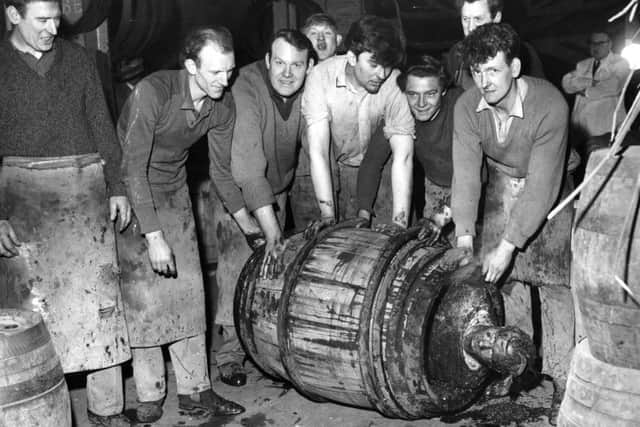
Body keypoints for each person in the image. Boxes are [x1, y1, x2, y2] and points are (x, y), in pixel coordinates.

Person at [0, 1, 132, 425]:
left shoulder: (78, 59)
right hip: (21, 200)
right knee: (30, 317)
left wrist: (116, 187)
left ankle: (107, 410)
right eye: (42, 20)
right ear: (13, 16)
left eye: (57, 18)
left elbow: (101, 121)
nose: (53, 28)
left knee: (100, 301)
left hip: (82, 190)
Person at [116, 26, 245, 423]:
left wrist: (249, 223)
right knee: (145, 300)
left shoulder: (222, 105)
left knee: (190, 293)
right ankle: (150, 394)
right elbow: (132, 168)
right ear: (190, 66)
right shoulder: (153, 92)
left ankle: (196, 393)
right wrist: (154, 237)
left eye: (230, 71)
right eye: (215, 72)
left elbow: (222, 174)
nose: (225, 81)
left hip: (174, 189)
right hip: (129, 189)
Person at [450, 23, 574, 419]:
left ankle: (563, 381)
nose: (483, 82)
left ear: (515, 67)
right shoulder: (467, 107)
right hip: (501, 184)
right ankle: (510, 371)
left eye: (493, 70)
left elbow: (540, 187)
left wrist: (509, 243)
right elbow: (467, 174)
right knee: (500, 282)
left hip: (550, 186)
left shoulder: (550, 104)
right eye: (476, 72)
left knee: (555, 288)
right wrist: (466, 237)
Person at [212, 29, 314, 387]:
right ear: (268, 61)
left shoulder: (313, 90)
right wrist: (270, 230)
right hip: (238, 190)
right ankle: (228, 356)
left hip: (278, 186)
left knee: (270, 271)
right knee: (237, 266)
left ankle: (266, 350)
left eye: (297, 66)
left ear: (309, 67)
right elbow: (248, 168)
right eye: (280, 63)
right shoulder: (246, 87)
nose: (287, 74)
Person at [301, 15, 414, 235]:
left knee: (387, 246)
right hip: (336, 169)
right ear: (352, 57)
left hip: (382, 169)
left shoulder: (395, 82)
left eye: (387, 66)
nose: (381, 74)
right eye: (373, 65)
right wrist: (327, 214)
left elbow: (404, 156)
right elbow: (319, 153)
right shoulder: (321, 77)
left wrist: (400, 223)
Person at [357, 56, 464, 240]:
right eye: (413, 94)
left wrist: (440, 218)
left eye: (430, 94)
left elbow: (476, 175)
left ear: (444, 91)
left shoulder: (461, 108)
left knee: (474, 256)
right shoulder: (401, 111)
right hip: (435, 185)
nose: (421, 104)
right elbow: (372, 162)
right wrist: (363, 214)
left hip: (476, 186)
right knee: (429, 252)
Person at [289, 13, 342, 232]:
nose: (320, 40)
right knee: (310, 240)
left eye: (326, 34)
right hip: (306, 173)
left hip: (348, 169)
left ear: (338, 40)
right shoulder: (295, 74)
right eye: (313, 34)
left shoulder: (351, 72)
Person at [445, 0, 545, 90]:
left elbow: (540, 94)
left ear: (496, 18)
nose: (471, 28)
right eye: (466, 19)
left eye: (478, 19)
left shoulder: (522, 52)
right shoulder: (456, 54)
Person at [562, 30, 630, 151]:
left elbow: (613, 87)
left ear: (610, 44)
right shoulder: (582, 65)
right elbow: (566, 83)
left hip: (605, 128)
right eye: (592, 43)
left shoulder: (621, 63)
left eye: (600, 43)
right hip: (580, 127)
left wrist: (583, 90)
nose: (595, 47)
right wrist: (591, 82)